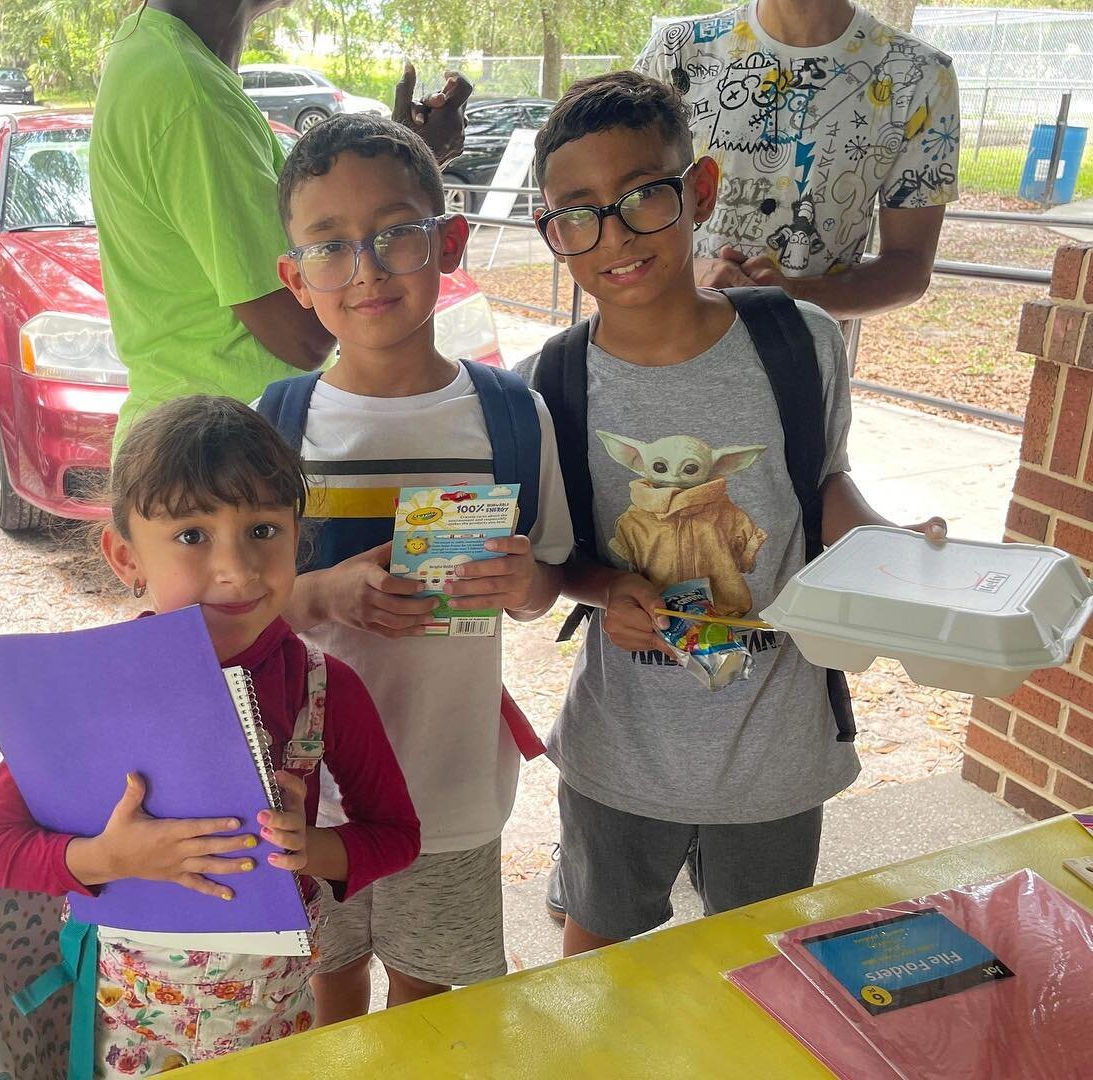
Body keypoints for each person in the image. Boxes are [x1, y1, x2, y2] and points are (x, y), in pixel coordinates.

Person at [520, 72, 945, 957]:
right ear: (553, 231)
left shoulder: (798, 340)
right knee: (599, 958)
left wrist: (894, 548)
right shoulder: (550, 382)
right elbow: (556, 561)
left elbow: (821, 486)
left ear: (699, 190)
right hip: (622, 747)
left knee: (758, 960)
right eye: (578, 213)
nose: (615, 235)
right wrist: (607, 590)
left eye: (644, 196)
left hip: (776, 745)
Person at [0, 396, 420, 1075]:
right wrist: (108, 858)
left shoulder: (325, 688)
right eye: (191, 536)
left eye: (264, 530)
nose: (236, 568)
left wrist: (313, 848)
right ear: (126, 557)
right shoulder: (90, 689)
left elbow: (397, 835)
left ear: (298, 537)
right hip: (124, 1026)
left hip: (271, 1027)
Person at [258, 114, 574, 1021]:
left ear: (451, 240)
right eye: (331, 247)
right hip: (306, 800)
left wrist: (524, 584)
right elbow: (226, 608)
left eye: (397, 234)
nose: (367, 270)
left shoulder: (513, 417)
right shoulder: (273, 426)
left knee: (428, 1003)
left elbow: (544, 583)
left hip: (450, 786)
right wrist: (321, 591)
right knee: (324, 991)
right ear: (297, 278)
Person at [89, 0, 472, 448]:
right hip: (218, 463)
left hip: (205, 449)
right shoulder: (189, 93)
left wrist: (407, 167)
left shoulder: (156, 55)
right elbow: (302, 333)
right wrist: (407, 168)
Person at [636, 0, 959, 320]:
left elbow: (909, 267)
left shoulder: (918, 75)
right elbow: (611, 203)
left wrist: (793, 295)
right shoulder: (677, 51)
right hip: (658, 337)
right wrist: (697, 274)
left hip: (799, 356)